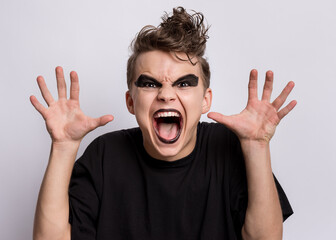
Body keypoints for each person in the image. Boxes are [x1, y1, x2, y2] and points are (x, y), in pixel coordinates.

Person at [31, 7, 296, 240]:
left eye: (183, 83)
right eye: (150, 84)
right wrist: (63, 147)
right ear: (131, 102)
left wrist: (256, 147)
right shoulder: (104, 156)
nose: (166, 94)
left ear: (205, 100)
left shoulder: (226, 146)